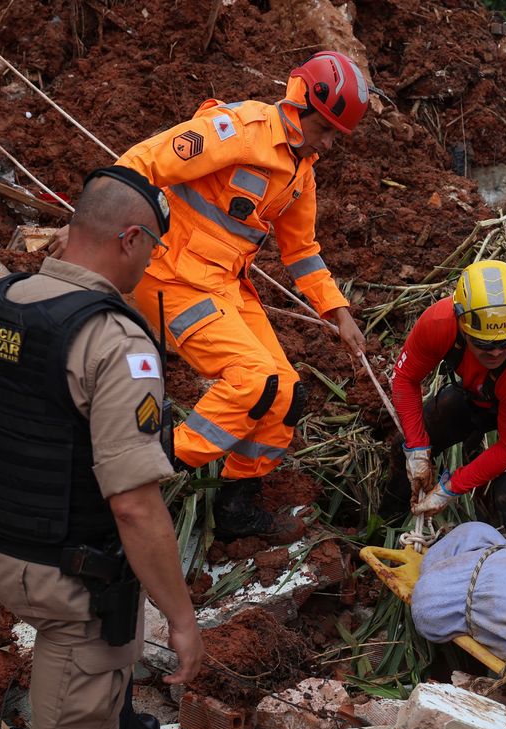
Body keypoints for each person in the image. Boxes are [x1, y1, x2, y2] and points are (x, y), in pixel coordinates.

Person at [0, 168, 205, 729]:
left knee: (103, 664)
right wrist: (180, 618)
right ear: (131, 240)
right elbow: (135, 506)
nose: (148, 265)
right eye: (150, 251)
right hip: (63, 577)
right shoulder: (112, 341)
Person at [109, 52, 372, 537]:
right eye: (328, 129)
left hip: (225, 284)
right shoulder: (238, 128)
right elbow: (142, 163)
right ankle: (141, 470)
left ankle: (235, 506)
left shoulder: (301, 170)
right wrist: (102, 232)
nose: (331, 143)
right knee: (252, 382)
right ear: (302, 106)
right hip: (172, 275)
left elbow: (302, 250)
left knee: (286, 393)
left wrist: (338, 311)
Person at [388, 261, 506, 547]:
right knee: (401, 446)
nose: (496, 352)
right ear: (462, 327)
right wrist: (417, 449)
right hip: (481, 392)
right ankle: (386, 527)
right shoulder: (439, 323)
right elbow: (405, 378)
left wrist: (451, 487)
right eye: (483, 344)